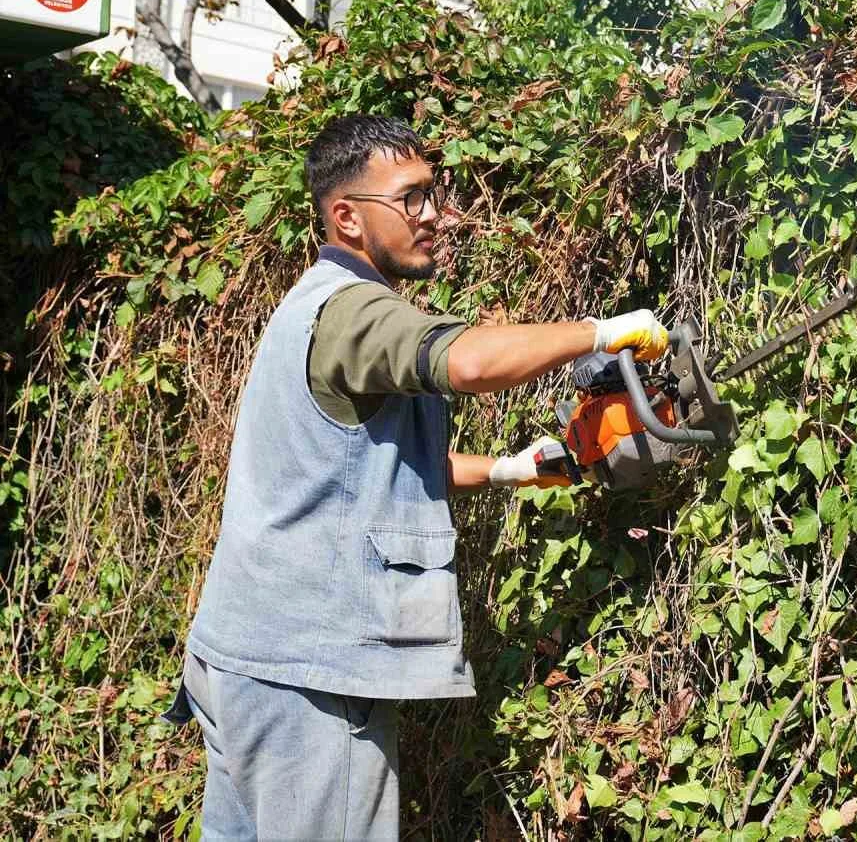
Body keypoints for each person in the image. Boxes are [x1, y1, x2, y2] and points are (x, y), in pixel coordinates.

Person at [161, 114, 667, 838]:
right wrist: (600, 332)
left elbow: (357, 476)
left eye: (434, 193)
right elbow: (464, 363)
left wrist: (505, 470)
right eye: (412, 198)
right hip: (310, 673)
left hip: (244, 656)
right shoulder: (353, 312)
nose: (435, 215)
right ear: (347, 217)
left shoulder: (309, 307)